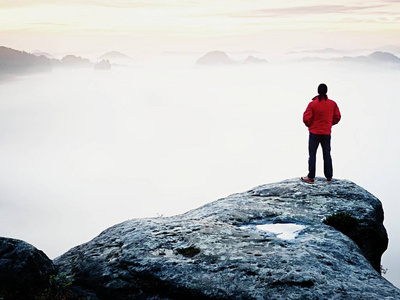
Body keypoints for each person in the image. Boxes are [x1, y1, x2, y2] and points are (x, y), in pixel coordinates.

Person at [301, 83, 341, 184]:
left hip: (314, 133)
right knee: (327, 154)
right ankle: (329, 177)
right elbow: (337, 117)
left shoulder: (312, 104)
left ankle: (311, 177)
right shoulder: (332, 104)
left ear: (318, 91)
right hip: (326, 133)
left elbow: (306, 118)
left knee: (312, 154)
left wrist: (310, 125)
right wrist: (329, 124)